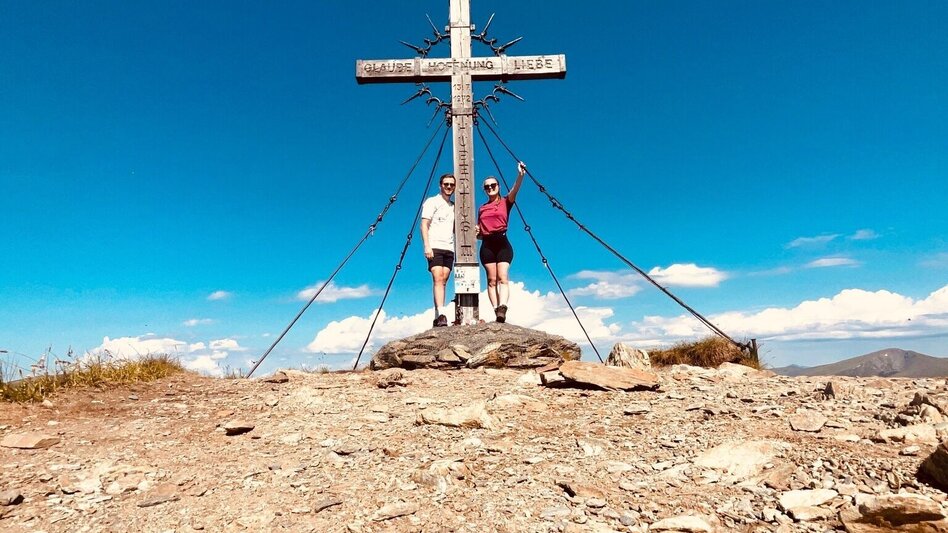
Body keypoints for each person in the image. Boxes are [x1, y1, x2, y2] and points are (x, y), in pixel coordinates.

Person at [477, 161, 526, 323]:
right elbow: (480, 232)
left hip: (502, 242)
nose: (490, 188)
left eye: (493, 185)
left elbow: (515, 190)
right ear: (484, 190)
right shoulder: (482, 208)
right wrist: (477, 232)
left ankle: (503, 306)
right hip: (487, 244)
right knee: (491, 280)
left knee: (502, 277)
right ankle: (496, 310)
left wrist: (520, 174)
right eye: (487, 187)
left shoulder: (505, 202)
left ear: (498, 186)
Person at [421, 173, 456, 327]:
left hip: (449, 247)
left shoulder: (454, 206)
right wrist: (427, 245)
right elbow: (424, 224)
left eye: (451, 185)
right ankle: (442, 314)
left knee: (444, 279)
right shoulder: (432, 202)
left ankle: (437, 314)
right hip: (435, 246)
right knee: (438, 278)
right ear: (440, 185)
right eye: (446, 184)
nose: (449, 187)